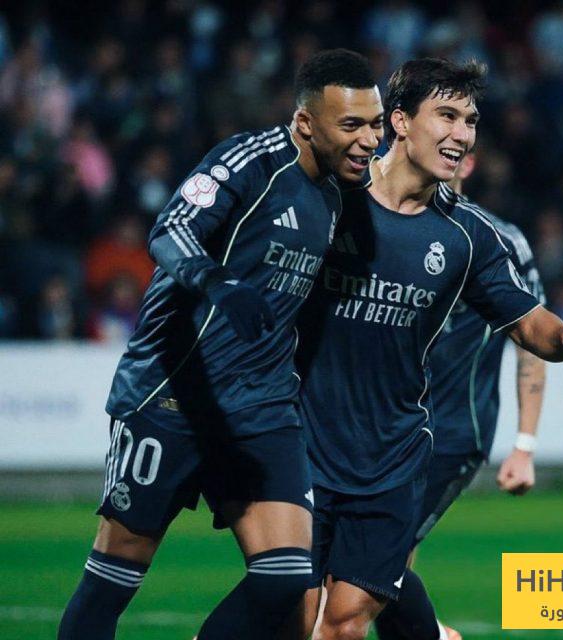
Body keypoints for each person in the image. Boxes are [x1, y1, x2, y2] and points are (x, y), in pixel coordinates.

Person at [57, 48, 384, 640]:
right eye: (352, 125)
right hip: (171, 397)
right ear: (306, 122)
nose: (369, 140)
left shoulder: (341, 195)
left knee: (287, 577)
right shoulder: (250, 162)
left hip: (261, 408)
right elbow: (171, 230)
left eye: (376, 124)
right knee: (112, 580)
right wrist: (216, 281)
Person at [292, 57, 563, 640]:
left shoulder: (471, 235)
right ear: (400, 122)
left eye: (470, 121)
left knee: (343, 622)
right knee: (293, 616)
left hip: (395, 456)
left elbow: (528, 324)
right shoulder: (327, 199)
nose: (462, 133)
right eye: (447, 115)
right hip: (304, 446)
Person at [374, 153, 547, 640]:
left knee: (377, 561)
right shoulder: (384, 224)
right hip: (388, 426)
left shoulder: (500, 240)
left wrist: (525, 445)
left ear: (468, 163)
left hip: (453, 431)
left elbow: (531, 341)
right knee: (377, 566)